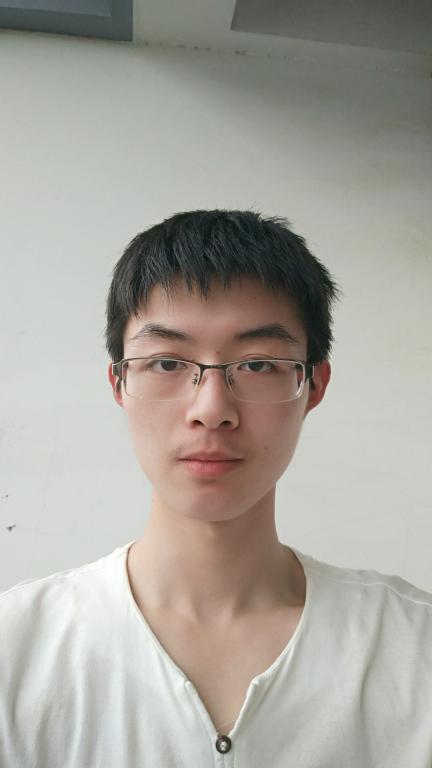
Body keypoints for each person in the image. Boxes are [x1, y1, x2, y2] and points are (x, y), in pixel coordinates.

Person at [1, 208, 431, 767]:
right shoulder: (17, 649)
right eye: (167, 363)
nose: (211, 409)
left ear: (314, 385)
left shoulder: (412, 647)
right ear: (119, 383)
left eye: (258, 365)